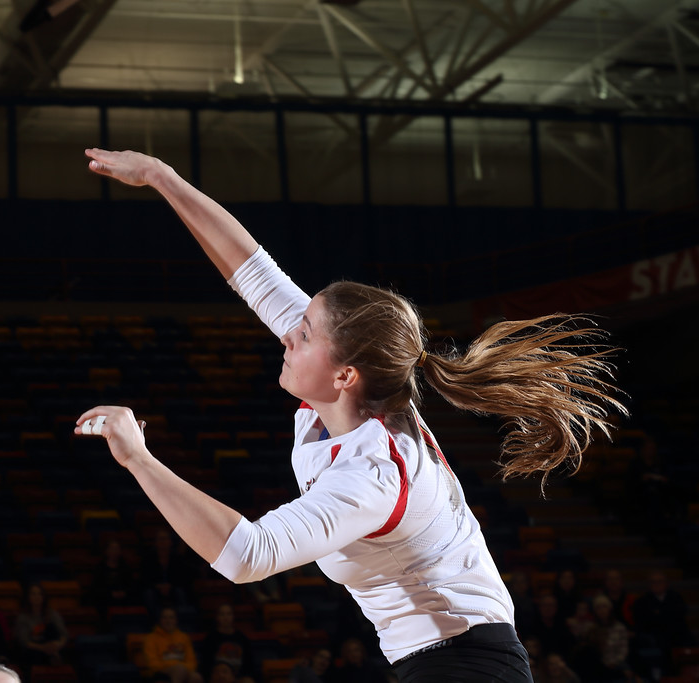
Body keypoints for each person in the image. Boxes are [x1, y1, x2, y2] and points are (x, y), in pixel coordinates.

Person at [74, 148, 627, 682]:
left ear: (344, 375)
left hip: (464, 663)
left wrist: (137, 459)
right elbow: (253, 273)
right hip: (442, 659)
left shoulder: (374, 475)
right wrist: (162, 177)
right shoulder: (363, 391)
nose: (289, 332)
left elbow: (248, 555)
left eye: (306, 331)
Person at [141, 606, 204, 683]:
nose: (168, 621)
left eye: (171, 618)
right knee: (179, 670)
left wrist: (181, 667)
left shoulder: (184, 637)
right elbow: (153, 664)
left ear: (176, 620)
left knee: (196, 677)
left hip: (182, 670)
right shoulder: (151, 638)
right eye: (165, 618)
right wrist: (176, 665)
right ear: (160, 620)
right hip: (159, 672)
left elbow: (192, 662)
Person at [197, 603, 257, 683]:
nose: (226, 617)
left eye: (229, 614)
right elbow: (206, 664)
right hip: (217, 676)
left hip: (238, 678)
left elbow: (248, 663)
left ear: (233, 616)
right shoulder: (211, 638)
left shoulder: (242, 638)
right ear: (217, 618)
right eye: (222, 614)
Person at [14, 583, 68, 669]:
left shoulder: (52, 614)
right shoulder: (23, 617)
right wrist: (43, 648)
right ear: (28, 597)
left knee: (51, 628)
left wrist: (57, 645)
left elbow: (63, 634)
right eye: (33, 594)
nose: (37, 596)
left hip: (53, 646)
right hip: (35, 648)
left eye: (40, 594)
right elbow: (23, 641)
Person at [91, 538, 139, 614]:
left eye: (117, 549)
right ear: (106, 551)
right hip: (106, 598)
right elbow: (97, 587)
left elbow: (131, 585)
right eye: (112, 549)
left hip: (124, 598)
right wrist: (110, 594)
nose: (115, 551)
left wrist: (124, 592)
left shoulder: (125, 567)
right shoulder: (100, 568)